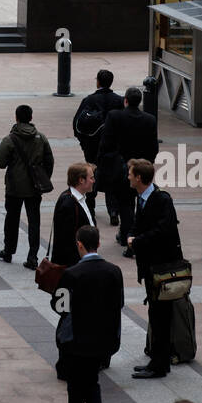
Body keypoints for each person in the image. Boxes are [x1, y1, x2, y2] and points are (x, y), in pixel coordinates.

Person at [55, 224, 124, 403]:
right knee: (91, 382)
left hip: (77, 343)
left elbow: (60, 306)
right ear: (99, 244)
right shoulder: (114, 271)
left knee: (75, 391)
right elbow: (118, 304)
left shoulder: (72, 274)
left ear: (80, 245)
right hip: (103, 342)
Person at [126, 158, 183, 379]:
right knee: (155, 313)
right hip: (151, 267)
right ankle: (157, 360)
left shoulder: (161, 200)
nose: (128, 177)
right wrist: (131, 235)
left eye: (131, 174)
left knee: (161, 315)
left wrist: (137, 241)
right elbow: (137, 224)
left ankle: (159, 365)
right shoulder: (141, 197)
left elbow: (162, 231)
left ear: (139, 178)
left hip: (163, 268)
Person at [0, 105, 55, 268]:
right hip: (34, 187)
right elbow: (49, 161)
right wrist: (43, 178)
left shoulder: (10, 139)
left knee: (12, 219)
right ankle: (33, 256)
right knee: (34, 221)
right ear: (31, 118)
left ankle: (8, 251)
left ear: (16, 118)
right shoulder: (40, 138)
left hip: (14, 187)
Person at [97, 86, 159, 247]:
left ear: (125, 101)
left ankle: (126, 233)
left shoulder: (114, 116)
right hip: (142, 167)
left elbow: (105, 144)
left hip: (121, 168)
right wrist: (147, 163)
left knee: (125, 203)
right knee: (142, 200)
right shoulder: (149, 119)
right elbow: (153, 147)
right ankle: (136, 233)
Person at [72, 69, 124, 219]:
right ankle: (113, 211)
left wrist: (84, 143)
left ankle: (91, 207)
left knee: (92, 174)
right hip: (113, 148)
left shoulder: (89, 100)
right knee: (112, 176)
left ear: (98, 82)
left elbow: (76, 124)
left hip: (92, 146)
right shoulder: (119, 101)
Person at [51, 163, 96, 269]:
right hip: (74, 264)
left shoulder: (83, 198)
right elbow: (66, 240)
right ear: (81, 180)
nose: (93, 181)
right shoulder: (68, 203)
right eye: (91, 178)